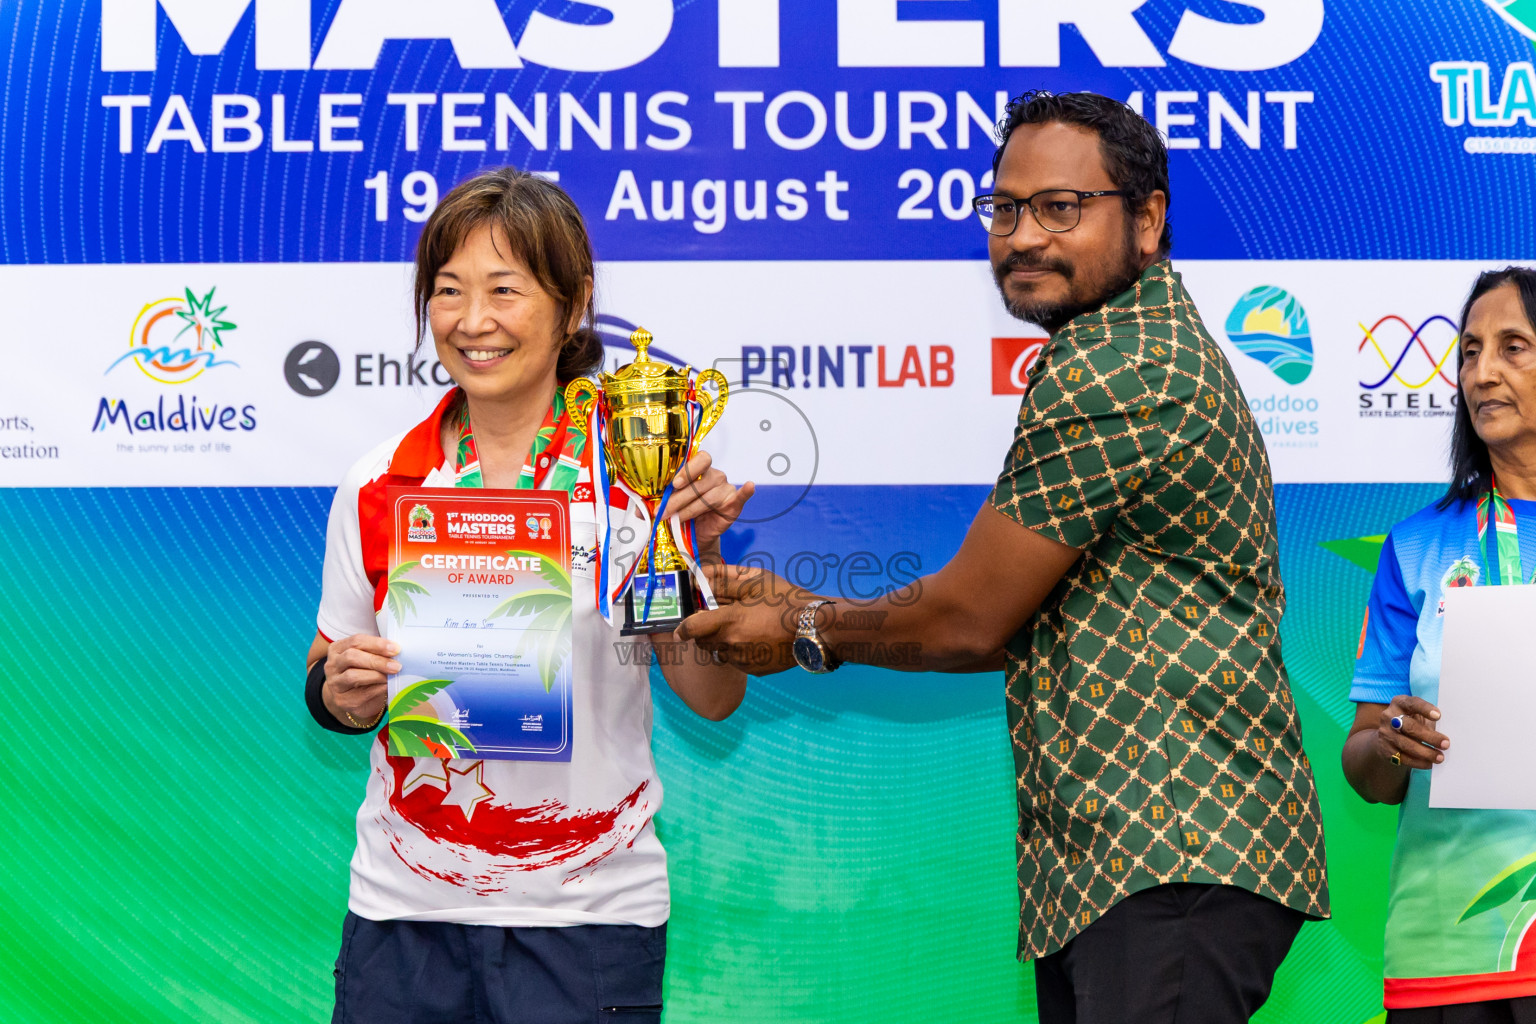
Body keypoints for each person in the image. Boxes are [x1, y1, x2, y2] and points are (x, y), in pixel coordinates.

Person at [678, 90, 1329, 1022]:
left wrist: (803, 627)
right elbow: (1000, 622)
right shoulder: (1112, 349)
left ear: (1147, 221)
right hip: (1127, 862)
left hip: (1174, 846)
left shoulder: (1120, 365)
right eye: (1006, 208)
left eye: (1061, 208)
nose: (1023, 236)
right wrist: (796, 608)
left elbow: (968, 618)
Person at [303, 167, 753, 1024]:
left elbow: (713, 695)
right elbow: (329, 676)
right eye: (448, 291)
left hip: (587, 917)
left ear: (572, 302)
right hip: (406, 910)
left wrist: (692, 547)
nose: (473, 322)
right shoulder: (381, 482)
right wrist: (342, 693)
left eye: (505, 290)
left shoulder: (634, 474)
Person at [1344, 267, 1536, 1023]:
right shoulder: (1418, 547)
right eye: (1469, 350)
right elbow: (1367, 767)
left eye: (1514, 347)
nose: (1481, 371)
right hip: (1453, 953)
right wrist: (1396, 741)